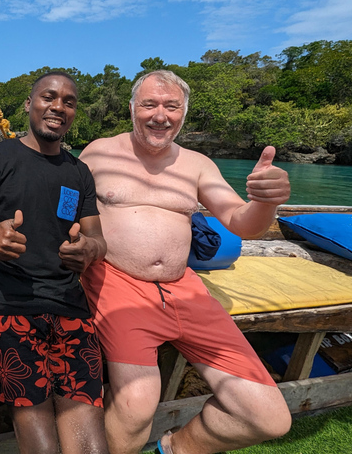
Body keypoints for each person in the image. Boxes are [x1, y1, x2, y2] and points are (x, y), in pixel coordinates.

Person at [79, 70, 293, 454]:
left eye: (171, 106)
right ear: (131, 109)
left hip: (186, 289)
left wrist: (266, 201)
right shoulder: (98, 152)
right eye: (149, 104)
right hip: (117, 284)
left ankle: (174, 448)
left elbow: (242, 224)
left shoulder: (197, 164)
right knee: (135, 405)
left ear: (184, 113)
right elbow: (65, 212)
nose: (160, 115)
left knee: (269, 418)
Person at [0, 72, 109, 454]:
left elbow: (99, 240)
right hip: (6, 305)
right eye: (48, 97)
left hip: (69, 304)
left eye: (69, 102)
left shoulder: (78, 171)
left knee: (90, 441)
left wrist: (89, 249)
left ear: (74, 113)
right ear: (28, 104)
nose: (58, 106)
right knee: (40, 440)